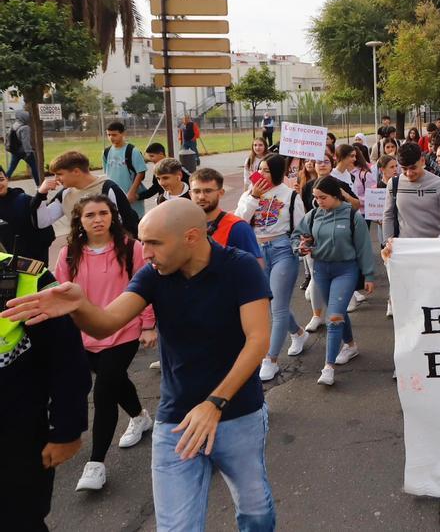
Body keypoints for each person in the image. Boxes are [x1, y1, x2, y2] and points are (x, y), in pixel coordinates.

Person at [2, 199, 275, 531]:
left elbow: (258, 340)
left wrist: (214, 404)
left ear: (191, 237)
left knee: (255, 511)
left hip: (237, 413)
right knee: (176, 527)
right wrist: (79, 305)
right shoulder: (154, 274)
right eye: (143, 242)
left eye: (154, 243)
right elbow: (106, 323)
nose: (144, 253)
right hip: (176, 421)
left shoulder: (240, 267)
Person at [54, 195, 155, 492]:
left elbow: (145, 284)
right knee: (116, 382)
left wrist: (148, 324)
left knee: (104, 393)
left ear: (112, 216)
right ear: (79, 221)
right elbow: (61, 295)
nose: (97, 219)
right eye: (90, 215)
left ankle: (96, 464)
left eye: (103, 213)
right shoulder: (69, 253)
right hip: (83, 335)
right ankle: (140, 416)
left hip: (123, 331)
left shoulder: (130, 247)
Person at [0, 244, 90, 530]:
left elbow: (67, 360)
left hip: (16, 441)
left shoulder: (25, 277)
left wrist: (67, 430)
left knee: (20, 521)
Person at [292, 177, 376, 386]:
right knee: (337, 311)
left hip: (346, 270)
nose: (318, 201)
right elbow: (296, 236)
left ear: (336, 195)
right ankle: (350, 345)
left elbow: (364, 246)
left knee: (334, 317)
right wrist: (300, 246)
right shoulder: (312, 216)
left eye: (323, 197)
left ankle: (328, 367)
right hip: (321, 269)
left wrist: (369, 275)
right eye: (315, 197)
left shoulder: (351, 215)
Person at [235, 154, 309, 381]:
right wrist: (253, 197)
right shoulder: (249, 193)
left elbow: (301, 228)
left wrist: (304, 248)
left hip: (282, 250)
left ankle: (270, 359)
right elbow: (238, 221)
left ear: (278, 172)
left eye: (267, 170)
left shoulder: (291, 196)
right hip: (255, 252)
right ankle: (298, 333)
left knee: (277, 306)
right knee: (270, 302)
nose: (261, 174)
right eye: (260, 169)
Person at [35, 152, 140, 238]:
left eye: (59, 174)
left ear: (76, 171)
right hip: (81, 252)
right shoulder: (65, 193)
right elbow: (43, 221)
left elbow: (128, 224)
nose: (56, 179)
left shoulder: (108, 188)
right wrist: (41, 194)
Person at [189, 168, 263, 263]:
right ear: (190, 194)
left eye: (208, 191)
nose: (202, 197)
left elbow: (255, 269)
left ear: (221, 193)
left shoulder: (238, 228)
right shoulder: (183, 226)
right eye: (196, 191)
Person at [0, 169, 55, 263]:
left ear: (7, 179)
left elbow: (46, 228)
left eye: (1, 179)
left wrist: (39, 252)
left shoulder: (23, 200)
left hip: (35, 259)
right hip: (7, 263)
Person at [103, 121, 148, 217]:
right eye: (108, 135)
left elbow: (141, 173)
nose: (111, 137)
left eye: (114, 135)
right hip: (113, 195)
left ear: (123, 133)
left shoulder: (132, 151)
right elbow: (106, 174)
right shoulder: (106, 152)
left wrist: (132, 192)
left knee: (134, 221)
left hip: (130, 195)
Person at [6, 109, 42, 185]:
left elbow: (8, 139)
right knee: (34, 167)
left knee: (11, 169)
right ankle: (39, 185)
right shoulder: (25, 127)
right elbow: (26, 142)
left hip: (15, 151)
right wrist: (29, 152)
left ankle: (2, 182)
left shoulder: (13, 126)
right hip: (24, 152)